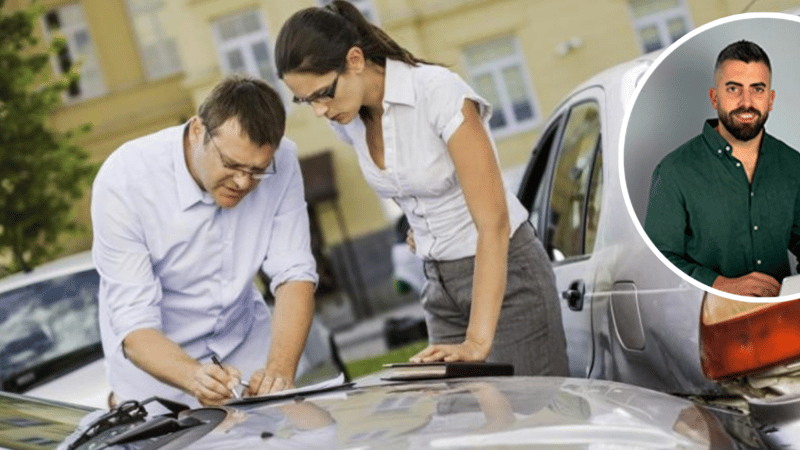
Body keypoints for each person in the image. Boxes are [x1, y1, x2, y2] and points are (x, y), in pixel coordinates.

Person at [275, 1, 568, 376]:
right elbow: (415, 182)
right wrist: (424, 226)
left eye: (322, 93)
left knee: (532, 423)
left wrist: (478, 342)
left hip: (507, 279)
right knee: (466, 425)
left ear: (355, 60)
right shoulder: (347, 120)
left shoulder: (437, 92)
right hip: (439, 285)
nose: (319, 110)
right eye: (305, 101)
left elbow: (493, 222)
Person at [91, 75, 318, 407]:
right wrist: (192, 376)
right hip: (158, 377)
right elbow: (134, 325)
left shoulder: (282, 161)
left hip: (246, 349)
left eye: (258, 171)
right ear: (197, 130)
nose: (243, 182)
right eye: (231, 164)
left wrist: (279, 372)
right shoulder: (125, 180)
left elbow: (295, 273)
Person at [645, 40, 800, 297]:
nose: (746, 102)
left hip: (781, 323)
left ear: (770, 99)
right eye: (733, 89)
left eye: (757, 89)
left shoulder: (793, 165)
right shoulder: (674, 172)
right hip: (705, 322)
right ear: (714, 97)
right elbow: (657, 262)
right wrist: (720, 285)